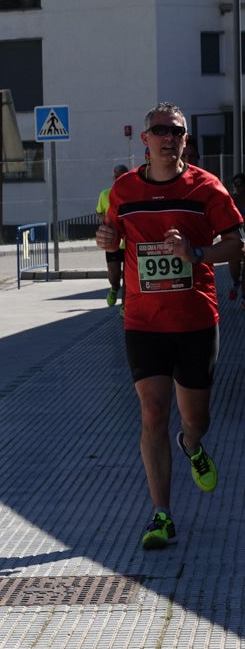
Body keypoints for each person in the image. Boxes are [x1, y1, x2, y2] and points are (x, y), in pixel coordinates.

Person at [96, 101, 244, 551]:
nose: (168, 137)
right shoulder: (123, 190)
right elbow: (112, 239)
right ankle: (162, 514)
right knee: (152, 413)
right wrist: (106, 245)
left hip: (196, 320)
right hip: (144, 322)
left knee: (194, 418)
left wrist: (196, 255)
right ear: (145, 140)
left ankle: (192, 445)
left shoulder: (208, 188)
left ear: (185, 140)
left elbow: (237, 246)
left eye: (176, 131)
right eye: (160, 130)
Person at [95, 163, 128, 308]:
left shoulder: (134, 195)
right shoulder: (105, 194)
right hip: (113, 242)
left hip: (130, 242)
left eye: (121, 177)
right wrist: (104, 219)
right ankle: (114, 289)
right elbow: (98, 212)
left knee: (128, 278)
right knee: (115, 276)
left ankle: (124, 306)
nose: (118, 180)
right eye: (116, 177)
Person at [227, 173, 245, 308]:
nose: (238, 188)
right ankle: (235, 282)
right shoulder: (231, 200)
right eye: (235, 185)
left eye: (241, 184)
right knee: (233, 261)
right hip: (237, 237)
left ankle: (244, 297)